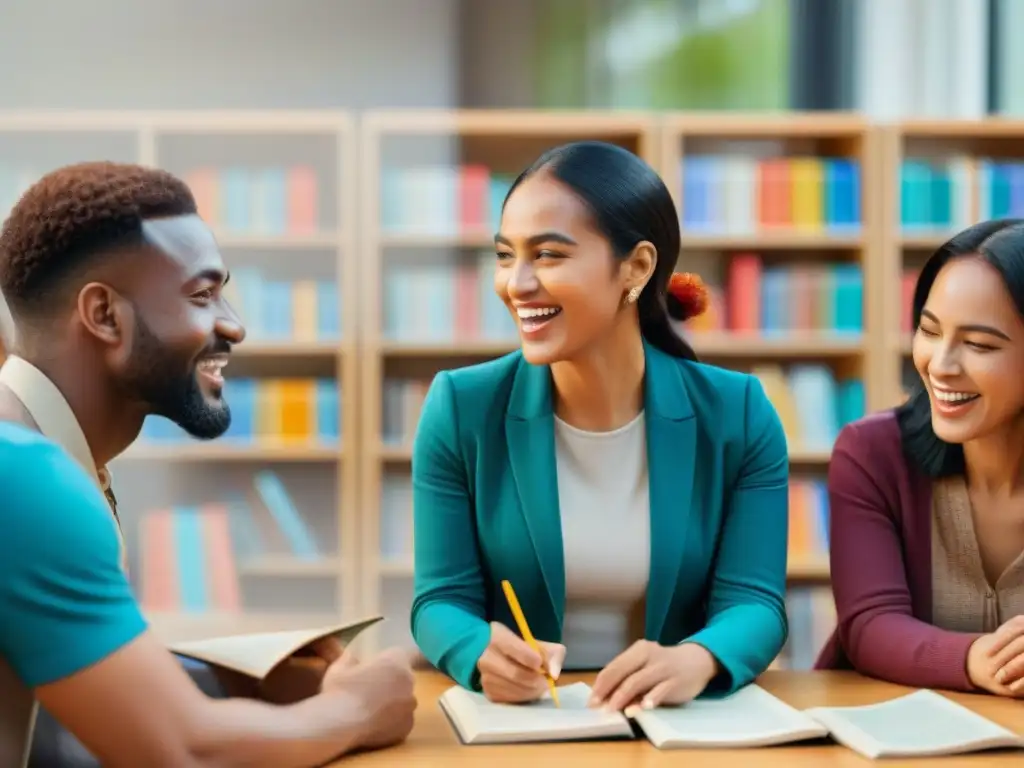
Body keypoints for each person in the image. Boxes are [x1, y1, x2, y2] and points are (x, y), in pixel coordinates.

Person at [0, 161, 416, 768]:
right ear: (104, 315)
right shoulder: (28, 480)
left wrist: (220, 682)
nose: (235, 325)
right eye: (202, 294)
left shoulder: (39, 455)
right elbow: (185, 753)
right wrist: (356, 708)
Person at [410, 141, 790, 712]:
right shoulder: (460, 407)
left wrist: (698, 658)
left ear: (635, 268)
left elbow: (756, 601)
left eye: (549, 255)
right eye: (505, 255)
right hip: (527, 730)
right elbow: (439, 598)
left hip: (675, 729)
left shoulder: (738, 413)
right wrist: (474, 648)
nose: (517, 284)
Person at [817, 218, 1024, 697]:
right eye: (929, 332)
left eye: (979, 345)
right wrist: (976, 660)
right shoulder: (872, 455)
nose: (940, 365)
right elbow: (870, 625)